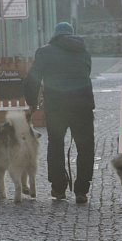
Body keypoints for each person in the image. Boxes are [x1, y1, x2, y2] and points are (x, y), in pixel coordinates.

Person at [24, 22, 95, 204]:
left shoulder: (45, 52)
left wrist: (31, 103)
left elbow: (33, 78)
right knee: (85, 147)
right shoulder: (84, 51)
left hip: (57, 106)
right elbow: (86, 71)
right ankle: (81, 191)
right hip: (83, 105)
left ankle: (58, 188)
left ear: (55, 35)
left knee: (56, 146)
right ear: (72, 35)